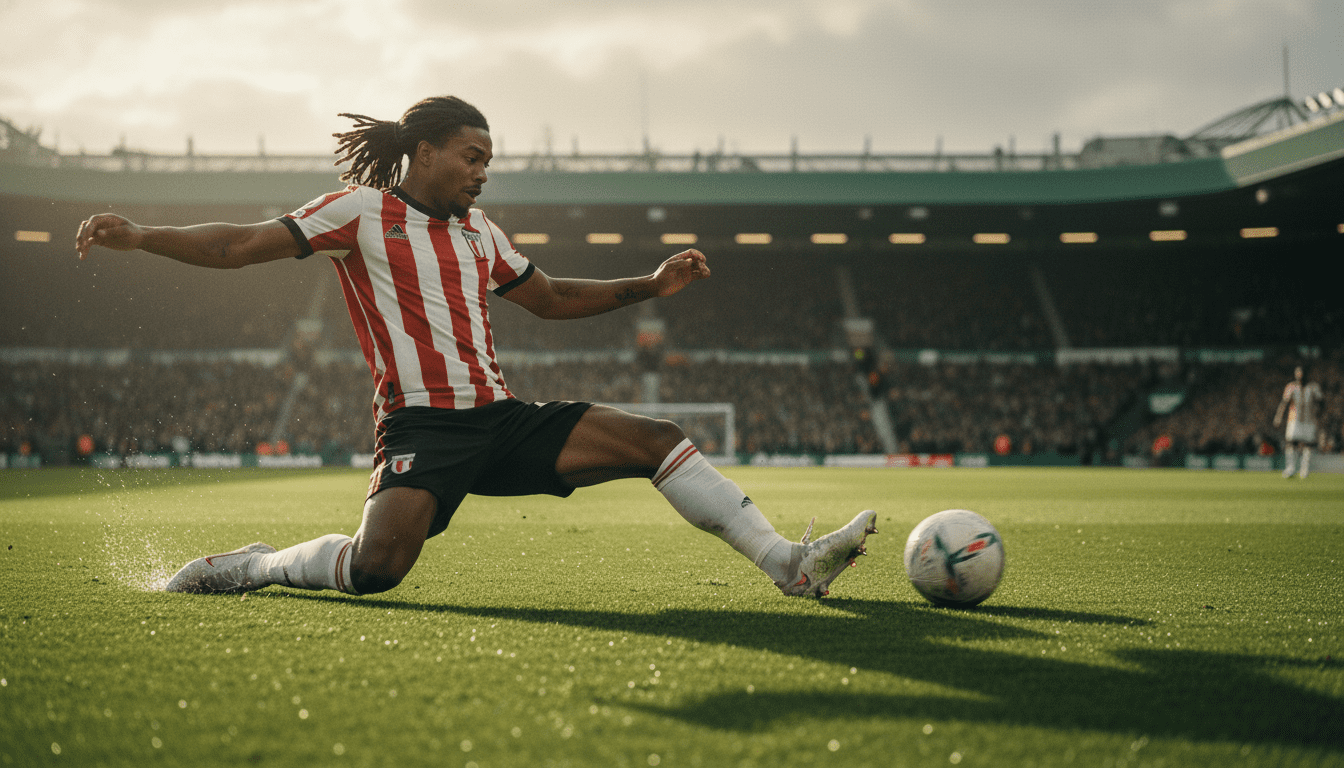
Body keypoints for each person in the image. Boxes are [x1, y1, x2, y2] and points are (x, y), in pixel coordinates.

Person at [74, 95, 875, 598]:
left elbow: (552, 298)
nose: (482, 173)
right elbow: (239, 246)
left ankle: (788, 565)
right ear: (424, 153)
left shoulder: (479, 231)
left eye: (488, 160)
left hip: (501, 418)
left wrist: (650, 285)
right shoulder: (355, 212)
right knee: (375, 570)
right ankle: (252, 566)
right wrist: (144, 234)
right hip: (422, 426)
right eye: (472, 156)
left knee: (659, 439)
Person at [1273, 365, 1324, 479]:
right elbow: (1284, 403)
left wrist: (1319, 413)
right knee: (1291, 443)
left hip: (1309, 420)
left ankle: (1304, 470)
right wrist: (1278, 416)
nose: (1299, 375)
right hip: (1294, 419)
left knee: (1308, 445)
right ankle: (1291, 468)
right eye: (1297, 372)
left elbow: (1321, 401)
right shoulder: (1291, 387)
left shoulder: (1313, 387)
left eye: (1301, 372)